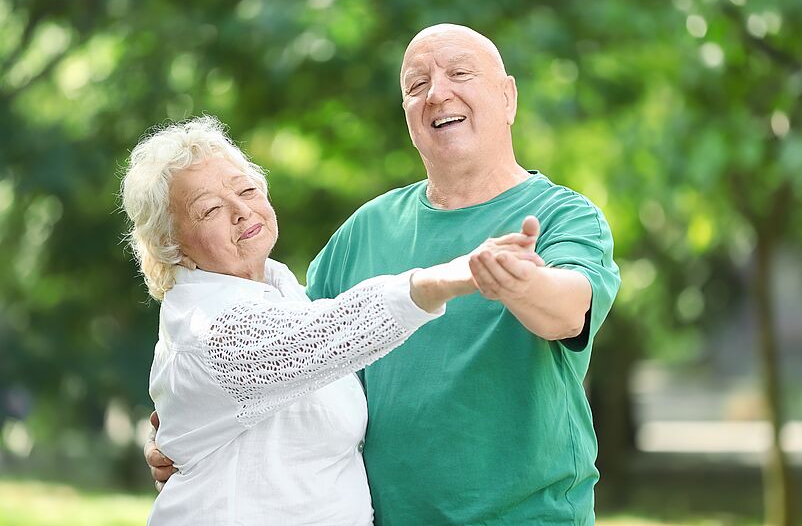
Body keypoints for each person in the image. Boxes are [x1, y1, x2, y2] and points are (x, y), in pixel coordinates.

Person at [149, 24, 621, 524]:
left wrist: (521, 282)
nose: (438, 93)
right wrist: (179, 431)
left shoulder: (561, 214)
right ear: (409, 118)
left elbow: (570, 312)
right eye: (417, 86)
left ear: (507, 97)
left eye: (460, 73)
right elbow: (293, 352)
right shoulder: (365, 230)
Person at [123, 116, 545, 525]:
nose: (240, 211)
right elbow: (323, 336)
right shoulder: (207, 329)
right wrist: (444, 278)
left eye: (246, 190)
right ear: (171, 245)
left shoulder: (288, 293)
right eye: (210, 209)